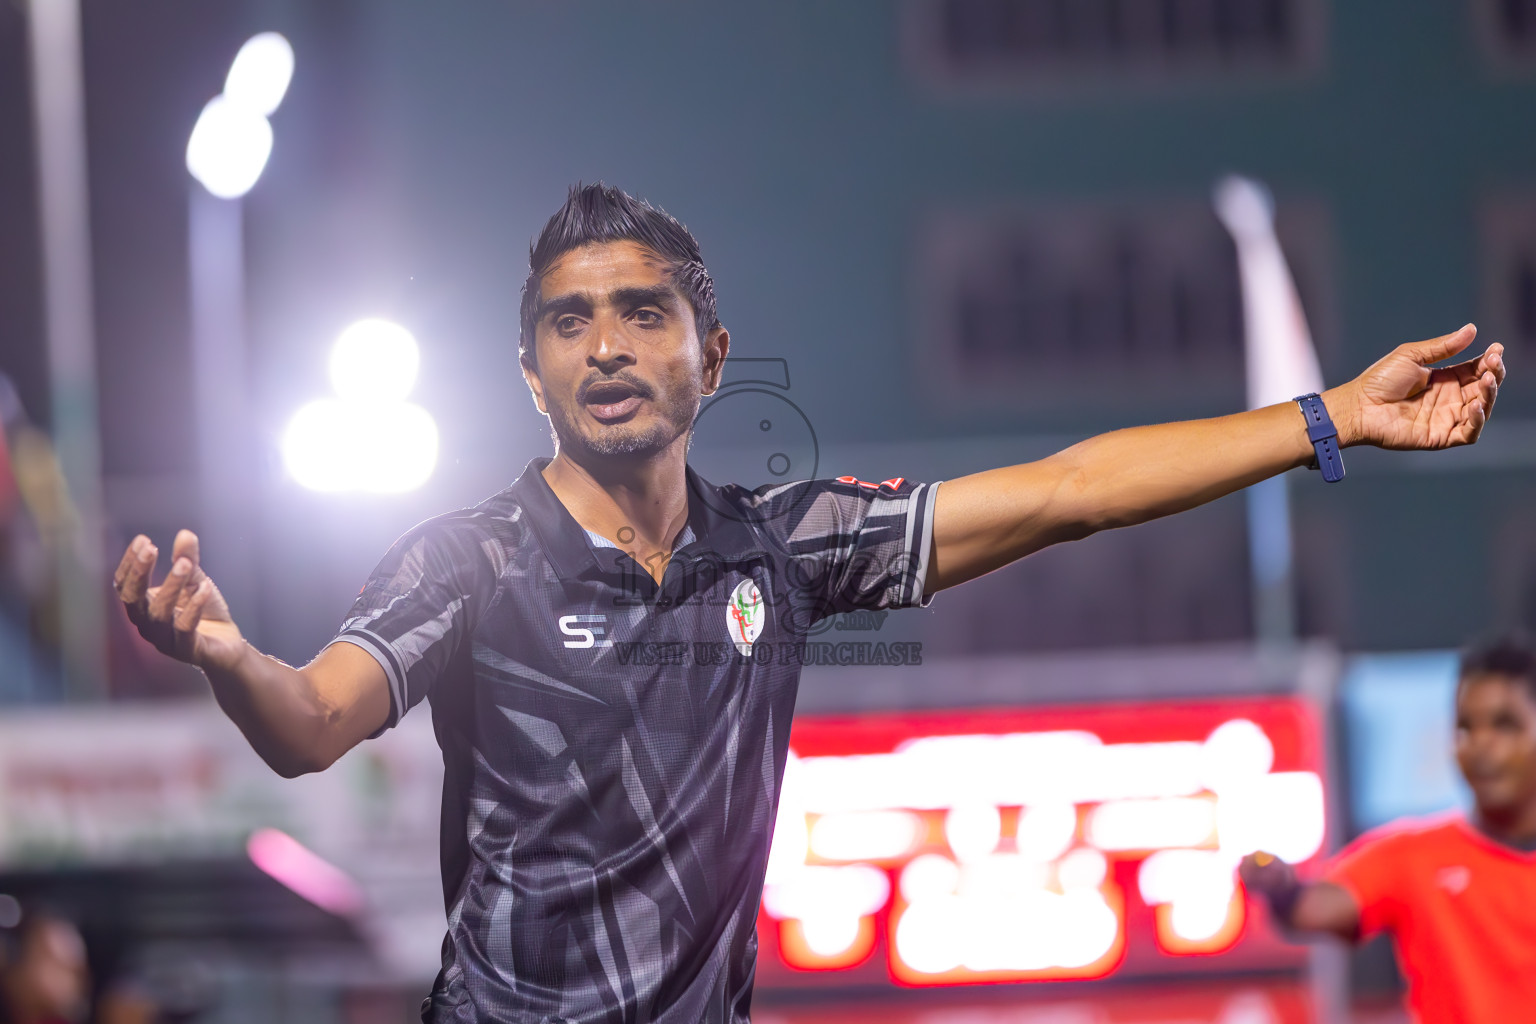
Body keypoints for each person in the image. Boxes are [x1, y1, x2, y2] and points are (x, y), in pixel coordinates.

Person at [114, 183, 1505, 1024]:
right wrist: (229, 652)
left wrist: (1329, 417)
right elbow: (308, 725)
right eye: (568, 320)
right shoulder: (466, 562)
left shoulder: (783, 549)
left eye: (642, 311)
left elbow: (1073, 486)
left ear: (711, 357)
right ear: (529, 372)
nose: (606, 342)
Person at [1241, 637, 1536, 1023]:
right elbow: (1311, 909)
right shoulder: (1412, 857)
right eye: (1465, 728)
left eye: (1504, 725)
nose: (1481, 745)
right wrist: (1279, 886)